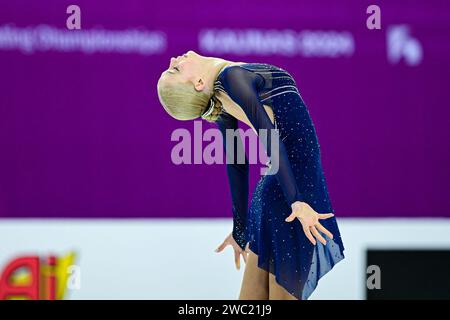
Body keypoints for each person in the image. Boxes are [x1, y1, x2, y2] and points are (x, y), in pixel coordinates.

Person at [157, 50, 345, 300]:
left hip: (273, 189)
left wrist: (240, 228)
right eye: (176, 70)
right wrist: (297, 200)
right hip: (290, 192)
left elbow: (237, 163)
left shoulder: (221, 96)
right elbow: (268, 137)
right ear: (198, 83)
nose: (173, 60)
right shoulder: (231, 78)